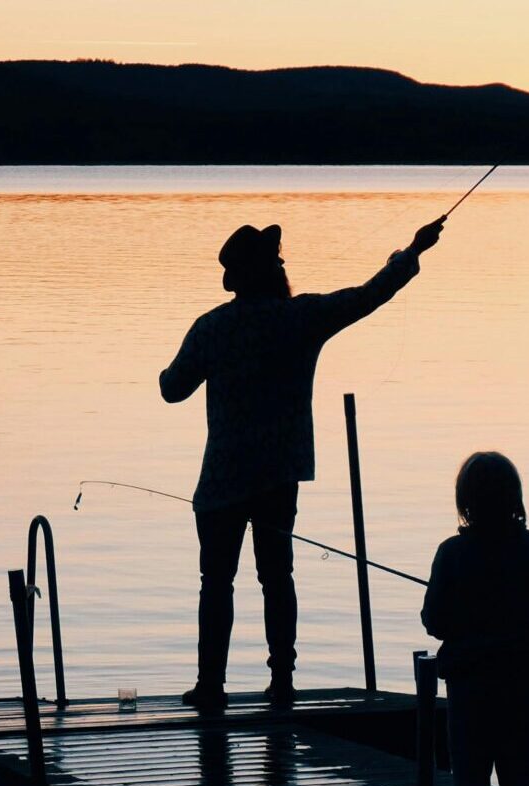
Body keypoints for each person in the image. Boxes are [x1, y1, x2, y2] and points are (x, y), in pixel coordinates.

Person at [160, 216, 446, 709]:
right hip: (278, 476)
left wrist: (183, 363)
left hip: (222, 480)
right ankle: (283, 681)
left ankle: (211, 685)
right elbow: (369, 295)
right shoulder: (301, 319)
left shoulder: (211, 327)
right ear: (273, 272)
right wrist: (413, 252)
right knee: (277, 578)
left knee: (216, 583)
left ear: (235, 280)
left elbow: (171, 389)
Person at [420, 451, 529, 786]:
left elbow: (433, 619)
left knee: (470, 774)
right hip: (520, 682)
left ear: (466, 501)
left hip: (470, 683)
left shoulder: (452, 553)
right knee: (520, 771)